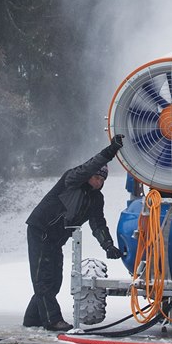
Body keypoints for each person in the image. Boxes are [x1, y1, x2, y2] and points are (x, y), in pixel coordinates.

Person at [23, 135, 124, 332]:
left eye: (102, 179)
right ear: (88, 176)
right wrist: (110, 151)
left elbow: (98, 224)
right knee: (43, 279)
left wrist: (108, 245)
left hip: (55, 240)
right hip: (40, 231)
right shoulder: (71, 180)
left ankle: (32, 319)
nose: (98, 182)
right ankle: (52, 320)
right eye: (96, 177)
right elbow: (89, 165)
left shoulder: (96, 199)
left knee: (54, 281)